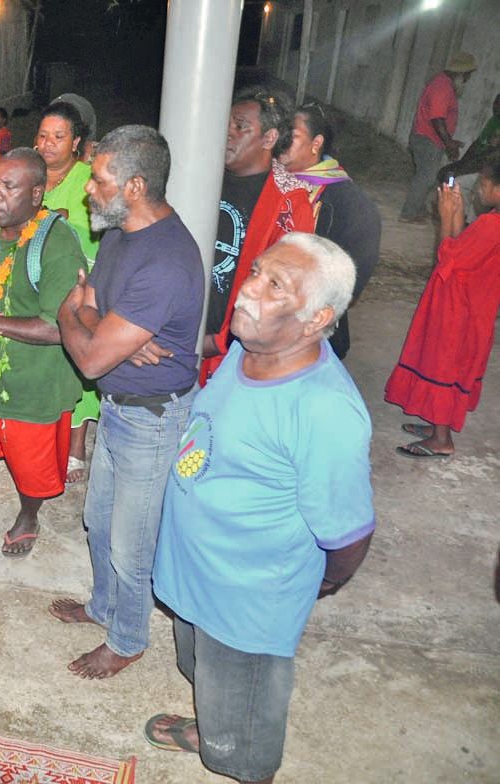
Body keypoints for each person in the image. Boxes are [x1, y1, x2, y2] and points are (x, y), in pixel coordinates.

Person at [146, 233, 374, 784]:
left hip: (247, 601)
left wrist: (320, 582)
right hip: (198, 573)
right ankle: (214, 722)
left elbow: (348, 535)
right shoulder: (251, 350)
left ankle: (236, 751)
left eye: (276, 285)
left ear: (317, 317)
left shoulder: (325, 410)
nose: (248, 289)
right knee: (204, 672)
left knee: (245, 723)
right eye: (256, 272)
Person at [50, 125, 203, 679]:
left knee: (130, 543)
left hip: (153, 418)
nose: (89, 188)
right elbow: (89, 306)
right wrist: (101, 326)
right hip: (119, 407)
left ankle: (129, 638)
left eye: (99, 179)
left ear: (135, 186)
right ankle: (102, 607)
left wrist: (78, 321)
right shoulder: (117, 232)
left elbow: (88, 357)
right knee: (97, 519)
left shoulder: (165, 260)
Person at [0, 148, 86, 557]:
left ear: (37, 194)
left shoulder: (57, 244)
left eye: (10, 186)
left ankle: (28, 516)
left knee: (32, 469)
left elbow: (60, 327)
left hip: (34, 386)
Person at [191, 88, 314, 384]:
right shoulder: (198, 176)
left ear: (269, 138)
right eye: (225, 125)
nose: (227, 134)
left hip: (233, 350)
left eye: (240, 126)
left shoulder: (289, 203)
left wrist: (222, 340)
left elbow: (284, 291)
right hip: (181, 332)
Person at [385, 161, 500, 458]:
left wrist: (446, 217)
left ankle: (441, 439)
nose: (479, 189)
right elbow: (463, 247)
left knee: (444, 365)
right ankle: (437, 423)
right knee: (449, 364)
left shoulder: (491, 225)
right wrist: (457, 215)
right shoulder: (490, 222)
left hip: (457, 310)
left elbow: (448, 256)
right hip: (473, 309)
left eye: (484, 184)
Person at [279, 102, 381, 359]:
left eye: (292, 136)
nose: (281, 141)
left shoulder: (347, 202)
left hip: (313, 326)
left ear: (316, 143)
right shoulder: (269, 180)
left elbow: (354, 277)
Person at [35, 101, 101, 483]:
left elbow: (93, 226)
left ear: (75, 142)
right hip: (37, 279)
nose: (48, 144)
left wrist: (56, 220)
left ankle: (77, 442)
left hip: (78, 280)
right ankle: (46, 432)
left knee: (78, 358)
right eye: (43, 136)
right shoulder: (31, 173)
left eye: (58, 137)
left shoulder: (89, 177)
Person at [400, 52, 477, 224]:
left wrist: (449, 140)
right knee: (426, 177)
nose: (467, 80)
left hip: (430, 138)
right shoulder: (442, 86)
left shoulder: (443, 84)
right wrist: (449, 142)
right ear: (461, 73)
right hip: (427, 139)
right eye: (467, 76)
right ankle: (409, 213)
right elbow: (437, 118)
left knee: (427, 175)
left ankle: (417, 209)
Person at [437, 92, 500, 222]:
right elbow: (478, 143)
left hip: (488, 168)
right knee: (448, 175)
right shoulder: (494, 121)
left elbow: (492, 156)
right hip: (480, 162)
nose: (496, 107)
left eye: (499, 104)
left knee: (472, 187)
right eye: (495, 103)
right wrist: (464, 162)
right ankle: (457, 215)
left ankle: (466, 221)